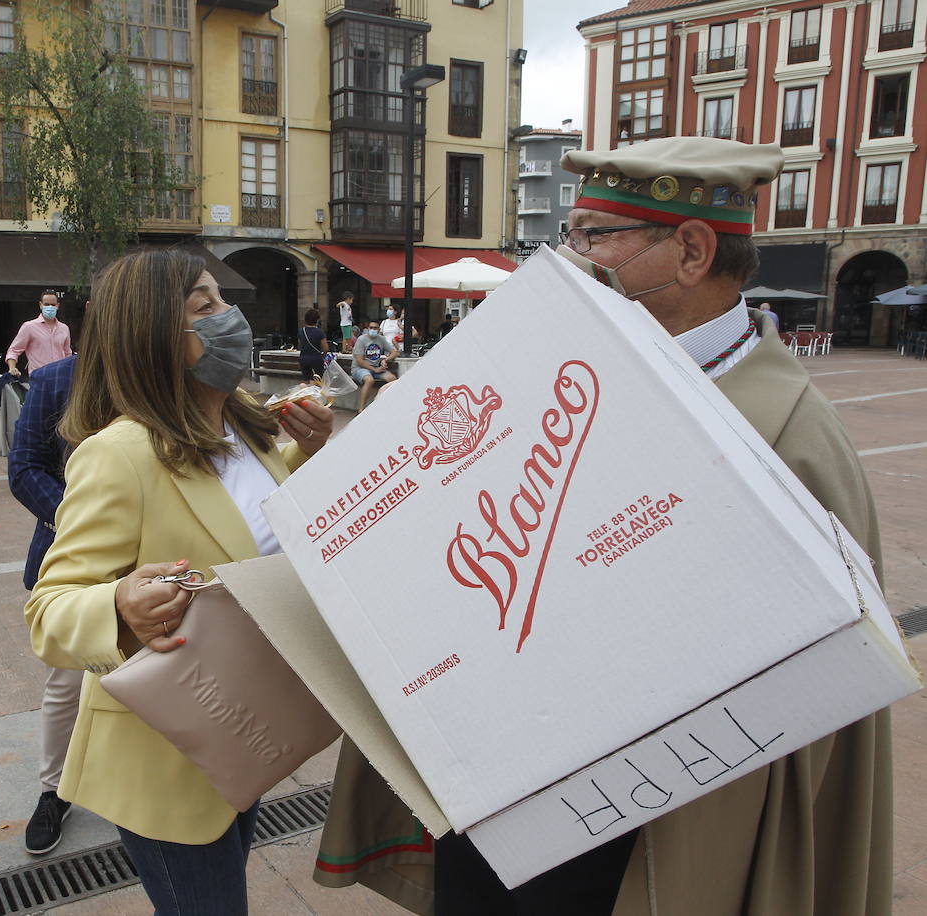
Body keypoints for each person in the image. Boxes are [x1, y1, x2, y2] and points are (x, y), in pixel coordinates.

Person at [317, 136, 894, 916]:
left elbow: (813, 696)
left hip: (639, 833)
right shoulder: (544, 365)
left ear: (690, 250)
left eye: (592, 236)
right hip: (487, 785)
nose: (568, 257)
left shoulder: (789, 437)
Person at [23, 248, 333, 914]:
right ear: (154, 336)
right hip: (161, 758)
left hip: (236, 734)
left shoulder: (243, 423)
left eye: (222, 299)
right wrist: (119, 603)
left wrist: (304, 452)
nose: (231, 317)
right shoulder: (119, 454)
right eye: (205, 305)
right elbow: (48, 611)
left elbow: (248, 524)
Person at [7, 353, 81, 855]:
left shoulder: (167, 372)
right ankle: (56, 790)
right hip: (69, 552)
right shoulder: (56, 380)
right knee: (68, 681)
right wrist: (84, 520)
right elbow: (25, 467)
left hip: (157, 555)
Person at [6, 289, 72, 378]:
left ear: (58, 306)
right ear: (40, 305)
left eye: (53, 305)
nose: (50, 307)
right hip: (39, 378)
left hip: (60, 378)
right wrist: (12, 368)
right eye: (46, 304)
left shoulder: (64, 328)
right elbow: (14, 350)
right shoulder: (29, 327)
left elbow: (68, 354)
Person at [352, 321, 398, 412]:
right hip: (360, 368)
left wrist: (386, 359)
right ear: (368, 328)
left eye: (375, 328)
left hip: (376, 368)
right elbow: (359, 360)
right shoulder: (361, 339)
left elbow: (394, 352)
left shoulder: (381, 339)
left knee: (392, 379)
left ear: (379, 329)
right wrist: (375, 369)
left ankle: (387, 406)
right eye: (371, 327)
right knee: (369, 380)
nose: (373, 330)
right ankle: (361, 409)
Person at [297, 307, 329, 382]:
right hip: (316, 359)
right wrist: (322, 355)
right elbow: (326, 348)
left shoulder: (301, 331)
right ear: (317, 320)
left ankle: (306, 392)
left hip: (303, 358)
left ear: (305, 320)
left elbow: (299, 346)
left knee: (306, 380)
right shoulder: (320, 332)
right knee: (317, 381)